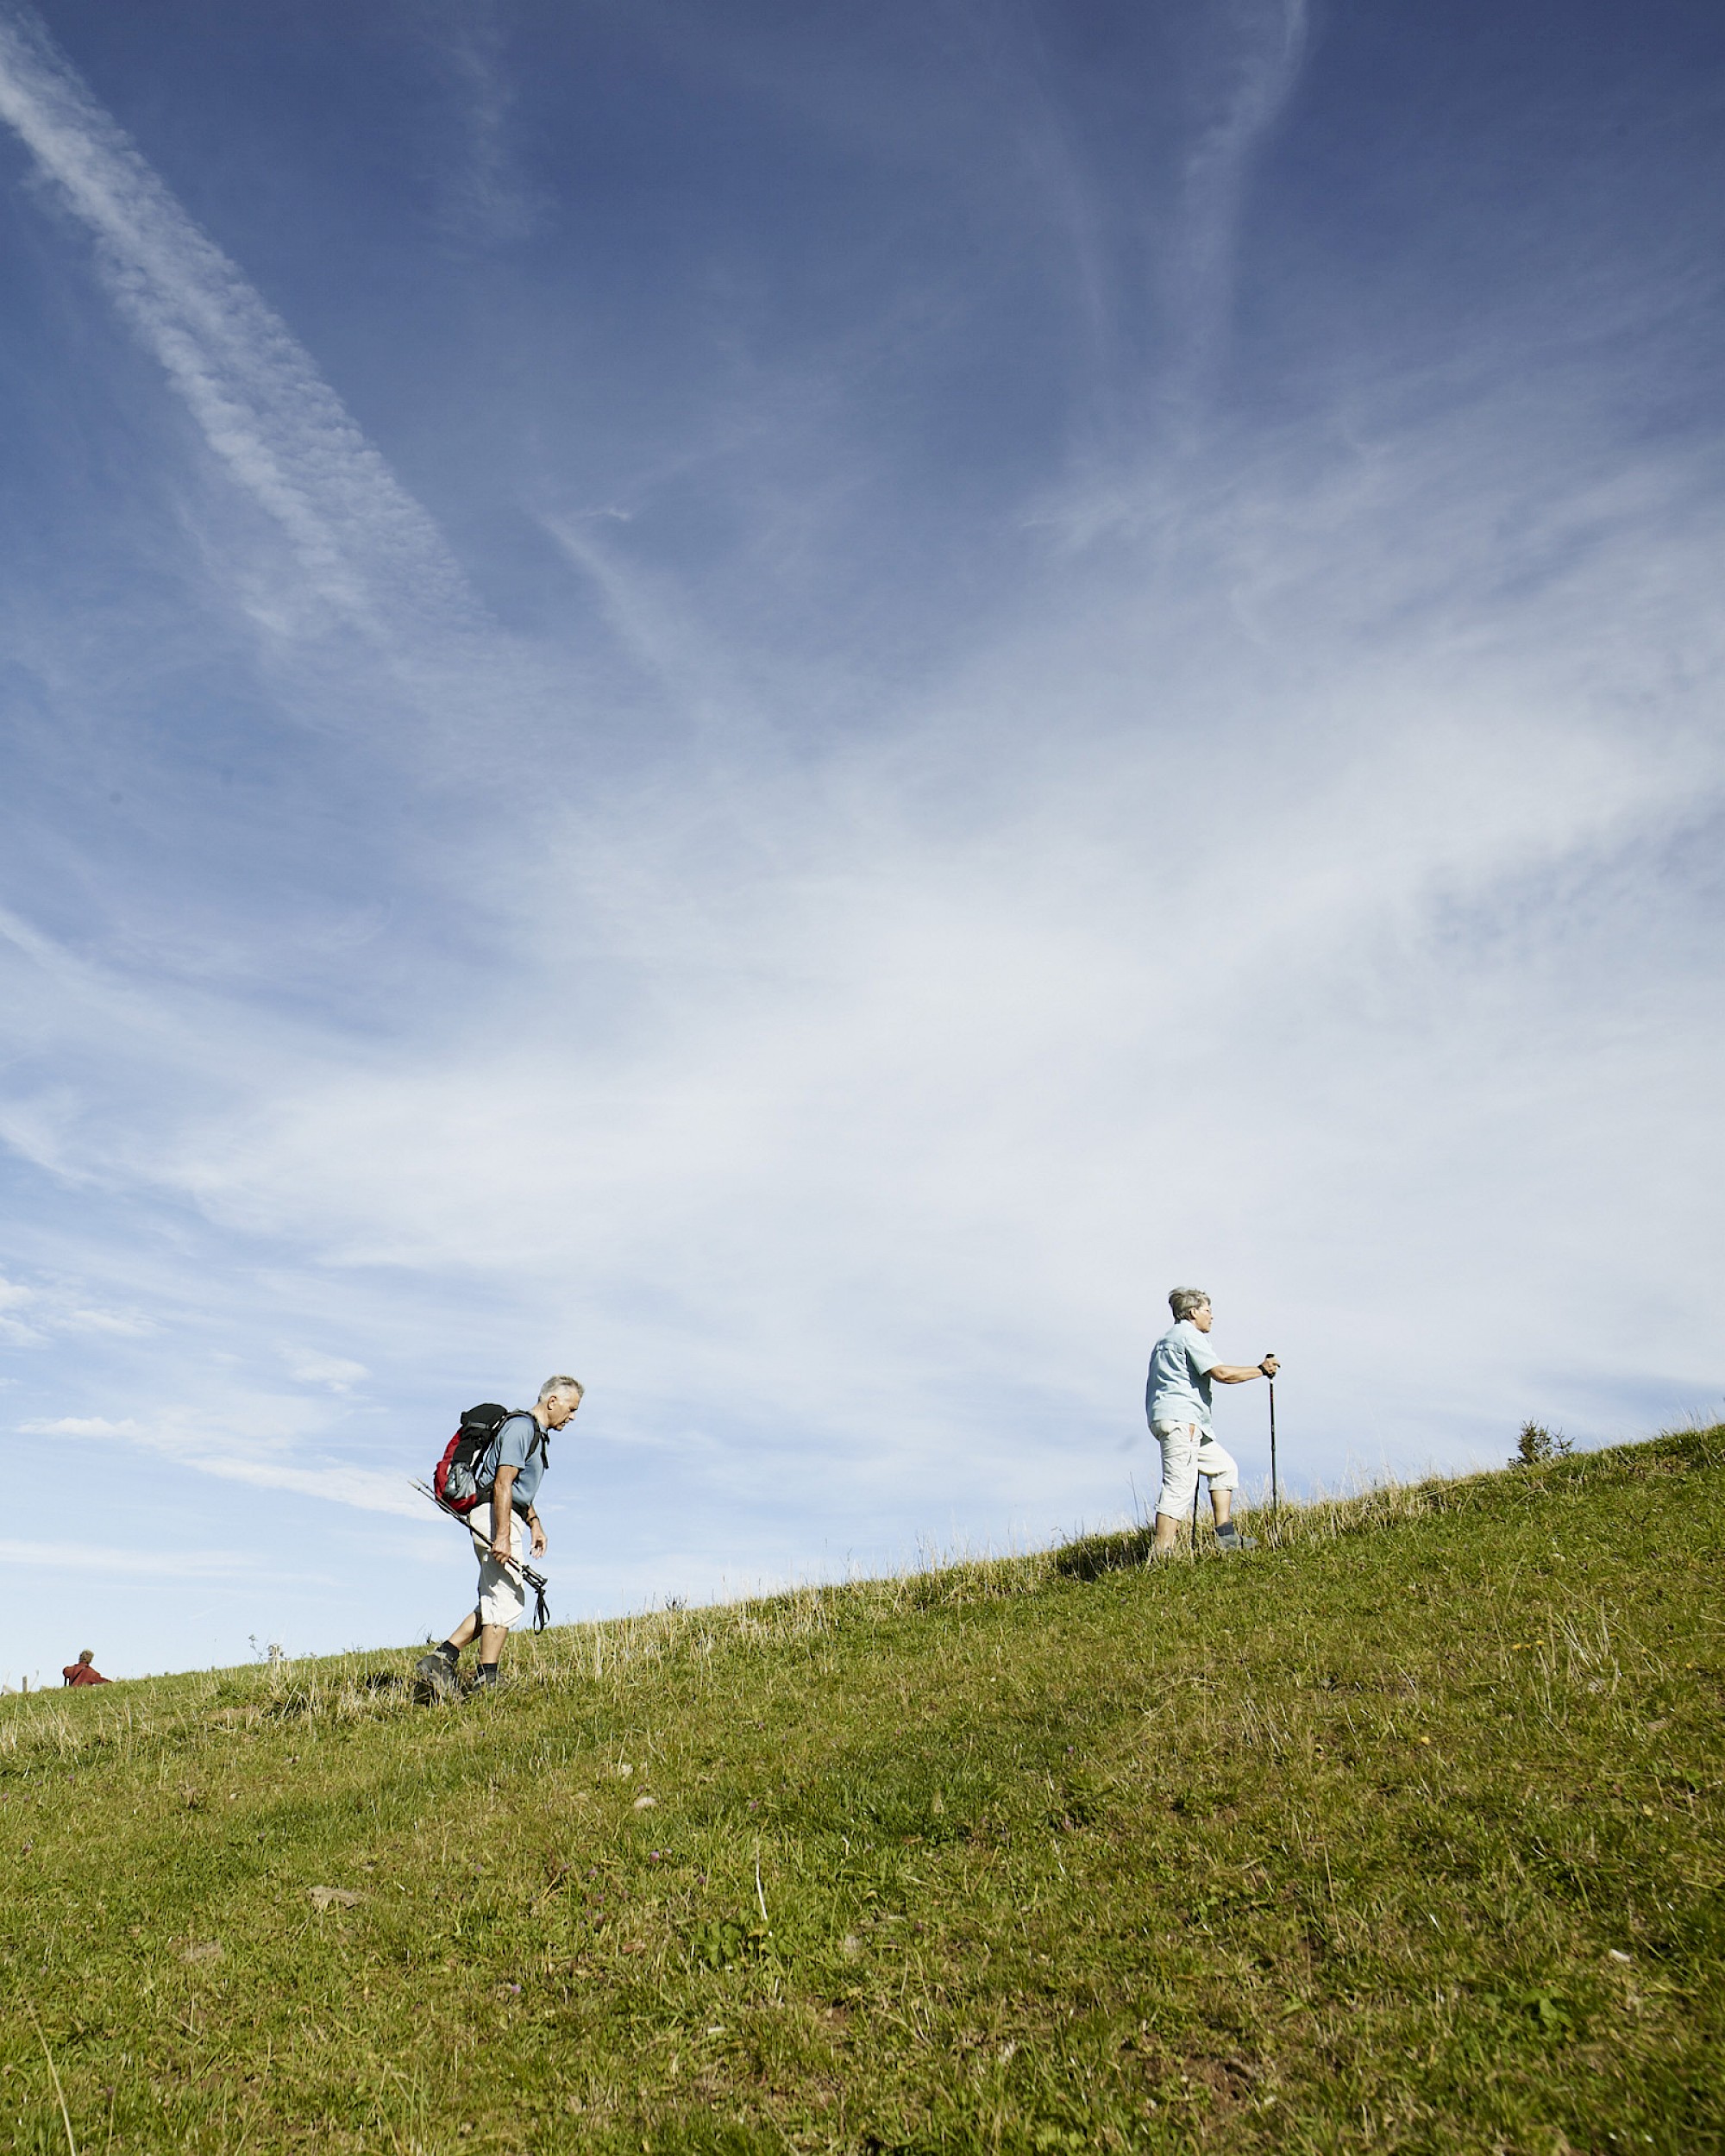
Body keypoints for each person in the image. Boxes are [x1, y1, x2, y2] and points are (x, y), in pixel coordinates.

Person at [416, 1376, 584, 1695]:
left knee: (500, 1597)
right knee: (505, 1597)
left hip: (504, 1515)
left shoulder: (531, 1432)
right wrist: (503, 1535)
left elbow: (518, 1487)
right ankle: (485, 1677)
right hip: (495, 1516)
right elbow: (502, 1484)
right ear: (552, 1402)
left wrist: (534, 1522)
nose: (572, 1416)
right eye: (571, 1408)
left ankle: (445, 1658)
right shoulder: (522, 1428)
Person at [1145, 1288, 1277, 1557]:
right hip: (1183, 1420)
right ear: (1194, 1313)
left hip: (1176, 1418)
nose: (1212, 1316)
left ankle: (1226, 1536)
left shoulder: (1165, 1340)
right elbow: (1222, 1374)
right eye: (1207, 1310)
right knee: (1179, 1487)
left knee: (1224, 1468)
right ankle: (1161, 1555)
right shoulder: (1188, 1336)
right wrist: (1260, 1370)